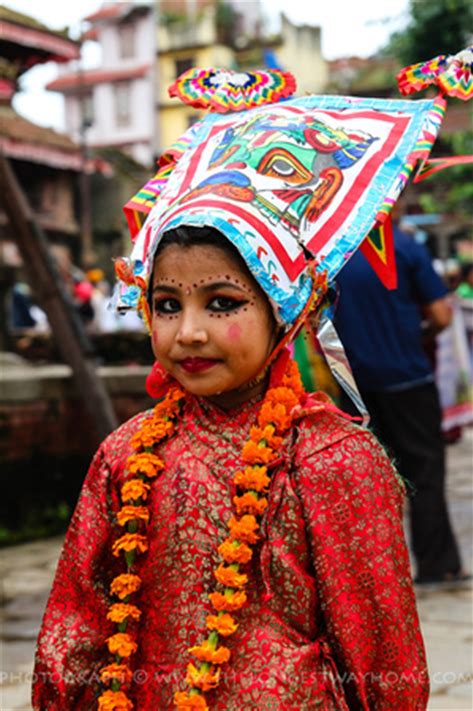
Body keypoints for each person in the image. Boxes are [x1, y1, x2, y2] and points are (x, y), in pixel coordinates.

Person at [32, 70, 433, 710]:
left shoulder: (333, 463)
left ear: (287, 309)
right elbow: (73, 631)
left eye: (221, 303)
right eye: (166, 305)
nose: (188, 332)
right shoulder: (126, 455)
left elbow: (383, 660)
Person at [333, 220, 468, 589]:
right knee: (425, 476)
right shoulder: (405, 247)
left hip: (354, 386)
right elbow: (442, 315)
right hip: (408, 378)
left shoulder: (333, 254)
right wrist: (417, 334)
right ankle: (438, 566)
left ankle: (373, 577)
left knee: (366, 485)